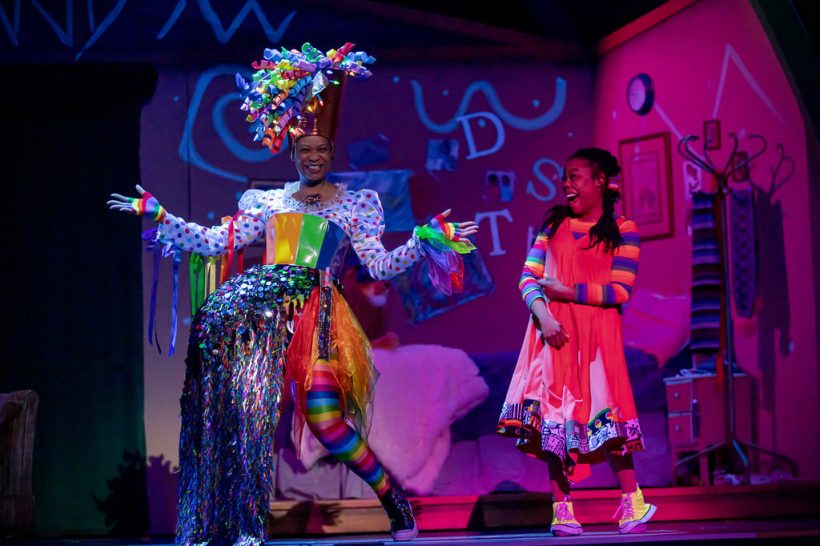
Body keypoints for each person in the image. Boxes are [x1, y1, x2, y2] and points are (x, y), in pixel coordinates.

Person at [109, 43, 478, 546]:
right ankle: (240, 525)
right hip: (260, 313)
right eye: (304, 151)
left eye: (321, 150)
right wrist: (163, 218)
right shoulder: (266, 201)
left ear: (331, 154)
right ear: (293, 155)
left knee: (327, 421)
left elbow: (381, 265)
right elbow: (219, 242)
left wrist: (421, 239)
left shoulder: (354, 206)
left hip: (317, 318)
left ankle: (393, 498)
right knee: (245, 412)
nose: (312, 157)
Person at [496, 148, 656, 536]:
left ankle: (632, 502)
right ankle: (562, 508)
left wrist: (566, 291)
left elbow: (620, 290)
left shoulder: (624, 230)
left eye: (575, 177)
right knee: (555, 416)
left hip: (599, 340)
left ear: (599, 181)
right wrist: (545, 316)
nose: (567, 185)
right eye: (564, 178)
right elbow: (527, 278)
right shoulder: (553, 226)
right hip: (556, 336)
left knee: (609, 414)